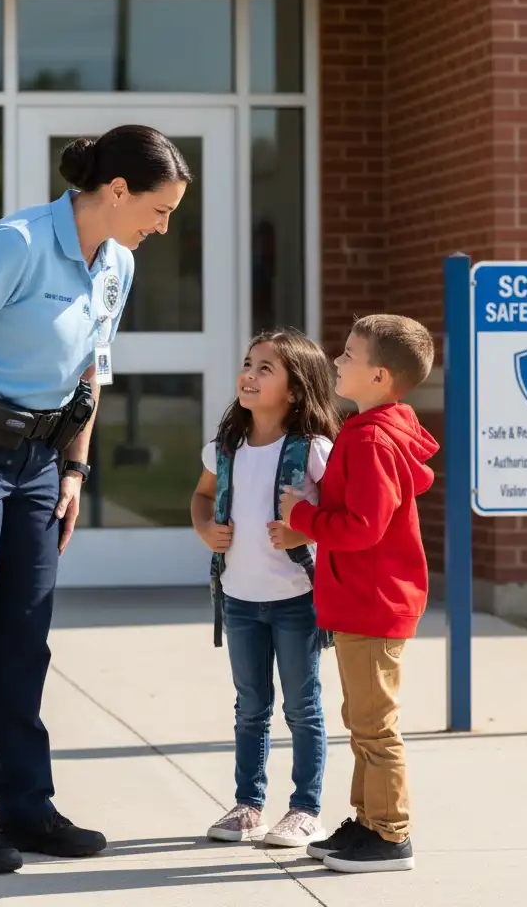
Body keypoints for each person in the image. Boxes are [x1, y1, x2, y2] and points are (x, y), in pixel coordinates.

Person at [0, 125, 191, 875]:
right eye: (159, 211)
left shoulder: (117, 262)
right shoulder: (18, 244)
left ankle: (26, 808)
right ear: (117, 190)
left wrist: (74, 470)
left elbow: (91, 370)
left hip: (39, 467)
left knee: (24, 642)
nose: (163, 228)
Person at [280, 313, 439, 875]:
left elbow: (364, 527)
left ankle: (391, 835)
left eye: (349, 354)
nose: (337, 360)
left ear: (379, 377)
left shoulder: (371, 439)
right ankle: (367, 822)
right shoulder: (371, 428)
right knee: (362, 720)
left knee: (374, 726)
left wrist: (301, 516)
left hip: (373, 604)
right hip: (363, 602)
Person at [191, 329, 341, 848]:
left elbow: (338, 514)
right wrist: (205, 529)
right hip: (239, 600)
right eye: (248, 364)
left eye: (265, 368)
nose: (248, 375)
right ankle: (248, 805)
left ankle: (305, 810)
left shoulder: (314, 450)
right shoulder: (224, 448)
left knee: (302, 707)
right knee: (250, 706)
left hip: (297, 600)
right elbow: (202, 497)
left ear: (295, 390)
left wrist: (304, 530)